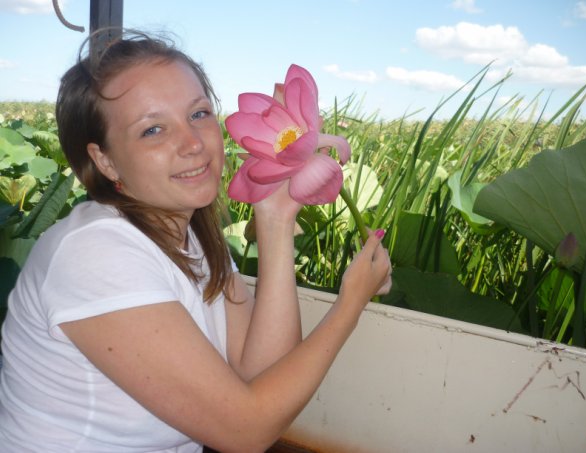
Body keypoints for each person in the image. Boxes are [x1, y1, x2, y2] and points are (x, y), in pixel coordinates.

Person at [0, 30, 392, 453]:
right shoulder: (94, 254)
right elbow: (247, 431)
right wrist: (350, 304)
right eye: (153, 129)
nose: (192, 143)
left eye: (199, 114)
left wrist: (275, 219)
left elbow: (261, 373)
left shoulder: (190, 238)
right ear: (105, 159)